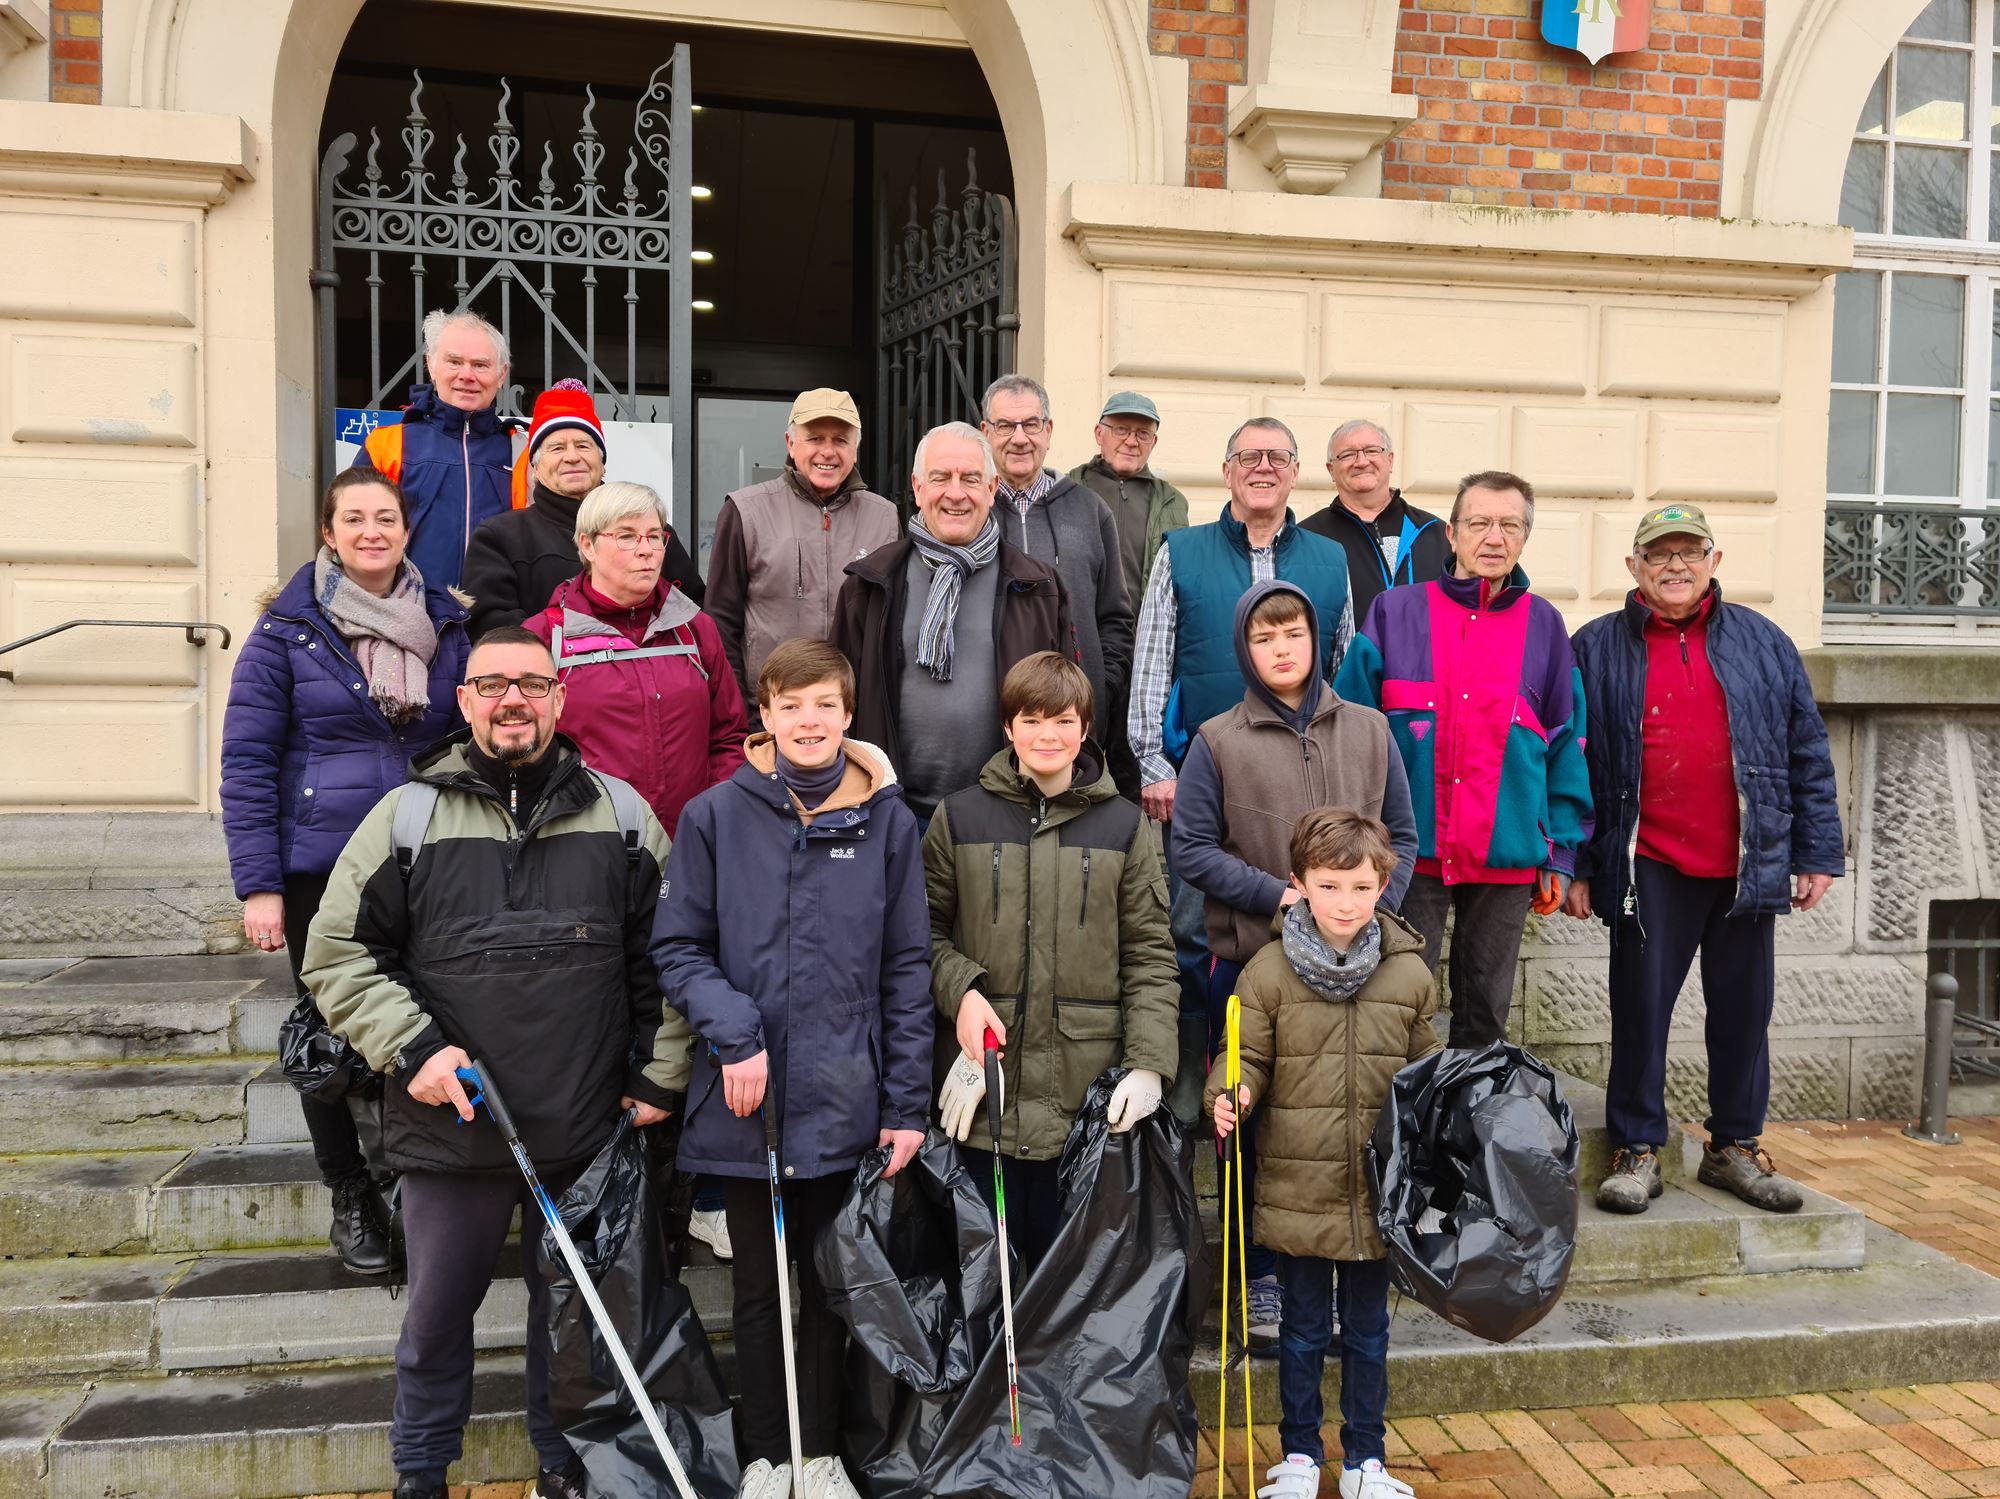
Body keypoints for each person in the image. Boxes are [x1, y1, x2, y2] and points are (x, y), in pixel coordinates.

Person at [303, 626, 687, 1499]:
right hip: (453, 1125)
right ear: (466, 701)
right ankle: (421, 1474)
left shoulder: (624, 816)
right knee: (437, 1319)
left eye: (531, 683)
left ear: (558, 699)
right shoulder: (405, 818)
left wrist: (659, 1075)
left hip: (584, 1127)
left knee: (575, 1322)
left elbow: (671, 957)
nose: (512, 699)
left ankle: (563, 1467)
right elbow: (334, 955)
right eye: (491, 684)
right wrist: (417, 1051)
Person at [651, 637, 932, 1499]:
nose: (809, 720)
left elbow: (907, 967)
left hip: (848, 1095)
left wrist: (908, 1100)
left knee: (830, 1284)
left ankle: (821, 1455)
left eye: (825, 705)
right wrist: (735, 1034)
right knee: (759, 1286)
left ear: (848, 716)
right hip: (748, 1100)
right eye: (790, 705)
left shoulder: (888, 823)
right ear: (764, 718)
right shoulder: (713, 816)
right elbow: (679, 945)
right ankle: (768, 1455)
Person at [220, 467, 470, 1277]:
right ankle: (350, 1190)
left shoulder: (445, 621)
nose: (371, 531)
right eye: (354, 518)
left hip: (423, 857)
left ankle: (407, 1175)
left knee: (418, 1020)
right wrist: (258, 883)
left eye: (386, 518)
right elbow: (248, 761)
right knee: (328, 1034)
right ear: (328, 532)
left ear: (406, 530)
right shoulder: (284, 631)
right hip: (320, 867)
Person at [1569, 504, 1843, 1217]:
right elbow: (1567, 757)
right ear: (1633, 567)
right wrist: (1571, 861)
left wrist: (1815, 849)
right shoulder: (1594, 646)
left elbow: (1805, 748)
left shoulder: (1763, 642)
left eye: (1690, 552)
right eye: (1659, 555)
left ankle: (1734, 1145)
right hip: (1645, 861)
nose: (1675, 566)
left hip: (1746, 860)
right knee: (1640, 1006)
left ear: (1714, 562)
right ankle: (1636, 1148)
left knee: (1744, 1009)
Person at [1171, 579, 1418, 1351]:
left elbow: (1405, 835)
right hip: (1254, 964)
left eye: (1295, 635)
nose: (1282, 649)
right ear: (1246, 650)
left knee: (1340, 1128)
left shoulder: (1371, 731)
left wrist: (1371, 908)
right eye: (1265, 637)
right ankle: (1261, 1279)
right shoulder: (1217, 740)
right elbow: (1191, 848)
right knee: (1252, 1122)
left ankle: (1346, 1278)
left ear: (1318, 643)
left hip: (1360, 968)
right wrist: (1280, 898)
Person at [1127, 416, 1352, 1202]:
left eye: (1277, 457)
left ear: (1296, 474)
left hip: (1303, 789)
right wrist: (1155, 762)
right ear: (1226, 472)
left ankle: (1284, 1085)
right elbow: (1153, 654)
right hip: (1198, 782)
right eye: (1248, 457)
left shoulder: (1327, 561)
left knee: (1297, 943)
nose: (1262, 467)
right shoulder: (1182, 551)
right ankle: (1199, 1089)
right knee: (1198, 937)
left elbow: (1341, 667)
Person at [1208, 809, 1436, 1499]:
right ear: (1298, 883)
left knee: (1369, 1333)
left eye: (1361, 887)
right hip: (1296, 1190)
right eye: (1330, 885)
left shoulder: (1408, 975)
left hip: (1374, 1193)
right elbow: (1241, 1053)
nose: (1346, 902)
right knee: (1302, 1331)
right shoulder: (1268, 971)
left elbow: (1427, 1069)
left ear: (1383, 885)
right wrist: (1230, 1092)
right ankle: (1300, 1454)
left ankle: (1367, 1456)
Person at [925, 651, 1179, 1269]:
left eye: (1063, 720)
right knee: (991, 1289)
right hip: (988, 1093)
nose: (1048, 735)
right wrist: (961, 989)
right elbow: (920, 937)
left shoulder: (1123, 826)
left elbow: (1150, 955)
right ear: (1007, 728)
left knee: (1068, 1292)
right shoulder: (958, 818)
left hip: (1085, 1103)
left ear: (1085, 729)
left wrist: (1148, 1065)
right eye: (1031, 720)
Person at [1334, 471, 1592, 1050]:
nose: (1493, 537)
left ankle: (1469, 1127)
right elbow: (1348, 732)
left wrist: (1563, 851)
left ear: (1525, 537)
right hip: (1405, 851)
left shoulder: (1544, 625)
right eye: (1479, 523)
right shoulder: (1394, 613)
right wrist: (1349, 839)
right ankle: (1400, 1131)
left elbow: (1566, 742)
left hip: (1506, 852)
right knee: (1396, 1003)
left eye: (1510, 525)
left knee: (1485, 1015)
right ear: (1451, 534)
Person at [831, 421, 1073, 828]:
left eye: (971, 479)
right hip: (891, 815)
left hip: (1007, 815)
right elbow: (836, 705)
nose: (956, 493)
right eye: (941, 477)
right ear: (917, 487)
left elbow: (1070, 704)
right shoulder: (869, 586)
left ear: (992, 488)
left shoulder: (1040, 588)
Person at [523, 481, 745, 840]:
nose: (647, 551)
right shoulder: (545, 638)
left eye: (655, 536)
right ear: (587, 545)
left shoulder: (696, 630)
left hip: (687, 842)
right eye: (627, 536)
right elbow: (523, 747)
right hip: (583, 845)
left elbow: (728, 736)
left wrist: (714, 812)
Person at [980, 374, 1134, 796]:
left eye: (1031, 424)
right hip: (989, 727)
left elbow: (1115, 618)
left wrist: (1098, 686)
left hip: (1073, 729)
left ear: (1048, 431)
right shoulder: (970, 512)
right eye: (1004, 426)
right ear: (985, 433)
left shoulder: (1090, 510)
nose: (1019, 438)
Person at [465, 379, 703, 639]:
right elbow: (493, 631)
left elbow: (692, 614)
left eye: (583, 445)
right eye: (556, 448)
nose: (572, 457)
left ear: (602, 463)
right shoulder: (499, 537)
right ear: (536, 470)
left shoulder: (653, 533)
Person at [704, 387, 899, 703]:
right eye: (815, 438)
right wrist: (739, 710)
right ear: (790, 444)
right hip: (769, 713)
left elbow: (892, 625)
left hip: (852, 714)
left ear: (855, 450)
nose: (828, 451)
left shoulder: (884, 517)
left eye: (840, 440)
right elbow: (721, 622)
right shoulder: (745, 510)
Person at [352, 309, 521, 593]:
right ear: (431, 365)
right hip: (408, 616)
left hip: (498, 622)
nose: (466, 375)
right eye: (454, 362)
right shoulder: (386, 445)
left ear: (501, 374)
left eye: (480, 365)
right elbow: (353, 533)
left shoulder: (522, 450)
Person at [1300, 419, 1450, 623]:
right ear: (1331, 470)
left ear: (1390, 460)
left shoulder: (1436, 533)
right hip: (1349, 656)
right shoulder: (1308, 538)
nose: (1361, 462)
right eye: (1347, 455)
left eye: (1371, 451)